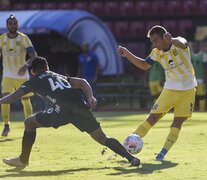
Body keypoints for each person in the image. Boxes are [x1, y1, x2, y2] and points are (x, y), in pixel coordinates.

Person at [1, 56, 140, 167]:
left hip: (63, 110)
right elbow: (82, 82)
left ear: (33, 71)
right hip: (80, 106)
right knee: (103, 138)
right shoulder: (56, 75)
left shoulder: (34, 80)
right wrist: (90, 97)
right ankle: (131, 158)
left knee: (29, 123)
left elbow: (14, 96)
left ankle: (22, 160)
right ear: (47, 67)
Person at [117, 25, 197, 161]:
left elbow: (183, 42)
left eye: (155, 41)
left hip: (188, 92)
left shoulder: (178, 44)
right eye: (152, 41)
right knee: (152, 118)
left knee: (177, 123)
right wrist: (127, 54)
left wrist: (172, 39)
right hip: (170, 90)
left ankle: (162, 153)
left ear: (164, 38)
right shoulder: (156, 52)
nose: (153, 44)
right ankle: (128, 148)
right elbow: (143, 65)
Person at [0, 14, 37, 136]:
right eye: (10, 23)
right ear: (7, 25)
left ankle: (29, 124)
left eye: (15, 23)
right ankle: (6, 126)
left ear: (18, 25)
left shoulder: (23, 38)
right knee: (5, 100)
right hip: (7, 75)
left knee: (25, 101)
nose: (12, 25)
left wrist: (26, 65)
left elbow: (33, 55)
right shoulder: (2, 39)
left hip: (22, 76)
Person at [190, 42, 207, 111]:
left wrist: (205, 77)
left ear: (199, 46)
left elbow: (206, 67)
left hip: (200, 78)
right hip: (191, 79)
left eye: (196, 45)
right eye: (193, 46)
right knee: (191, 95)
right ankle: (191, 110)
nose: (195, 47)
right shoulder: (189, 55)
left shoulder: (204, 55)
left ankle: (201, 109)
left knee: (201, 95)